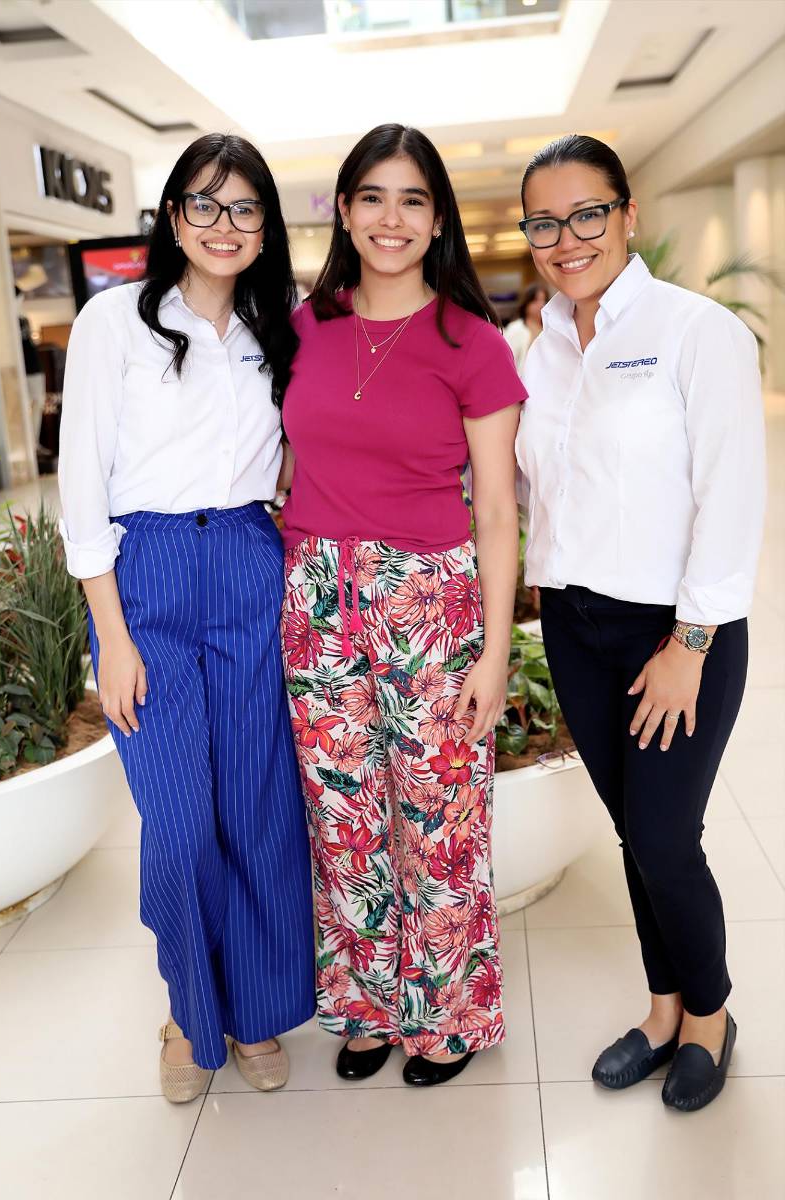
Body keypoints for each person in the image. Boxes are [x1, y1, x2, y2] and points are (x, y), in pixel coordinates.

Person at [58, 133, 316, 1102]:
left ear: (264, 228)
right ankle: (187, 1013)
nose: (223, 224)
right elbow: (81, 479)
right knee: (175, 823)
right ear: (171, 218)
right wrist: (111, 635)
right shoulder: (113, 321)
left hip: (251, 564)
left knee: (256, 808)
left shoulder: (279, 327)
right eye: (202, 205)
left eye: (243, 208)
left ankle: (254, 1011)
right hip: (147, 577)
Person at [516, 134, 765, 1112]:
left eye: (585, 214)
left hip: (675, 634)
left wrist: (688, 644)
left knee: (665, 838)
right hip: (575, 629)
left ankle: (708, 1016)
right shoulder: (537, 348)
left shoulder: (695, 330)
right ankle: (661, 1010)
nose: (565, 237)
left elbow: (730, 497)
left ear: (625, 215)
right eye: (544, 221)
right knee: (632, 834)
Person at [278, 123, 525, 1087]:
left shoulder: (473, 342)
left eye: (412, 199)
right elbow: (291, 458)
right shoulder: (304, 326)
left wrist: (497, 654)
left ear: (437, 220)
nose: (391, 217)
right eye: (372, 196)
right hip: (316, 596)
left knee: (439, 818)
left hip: (428, 601)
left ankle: (449, 1015)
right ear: (343, 209)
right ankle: (369, 1004)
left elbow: (499, 510)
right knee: (342, 815)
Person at [503, 282, 548, 372]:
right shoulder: (515, 329)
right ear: (526, 303)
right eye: (536, 300)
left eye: (544, 300)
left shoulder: (550, 329)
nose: (541, 304)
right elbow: (505, 361)